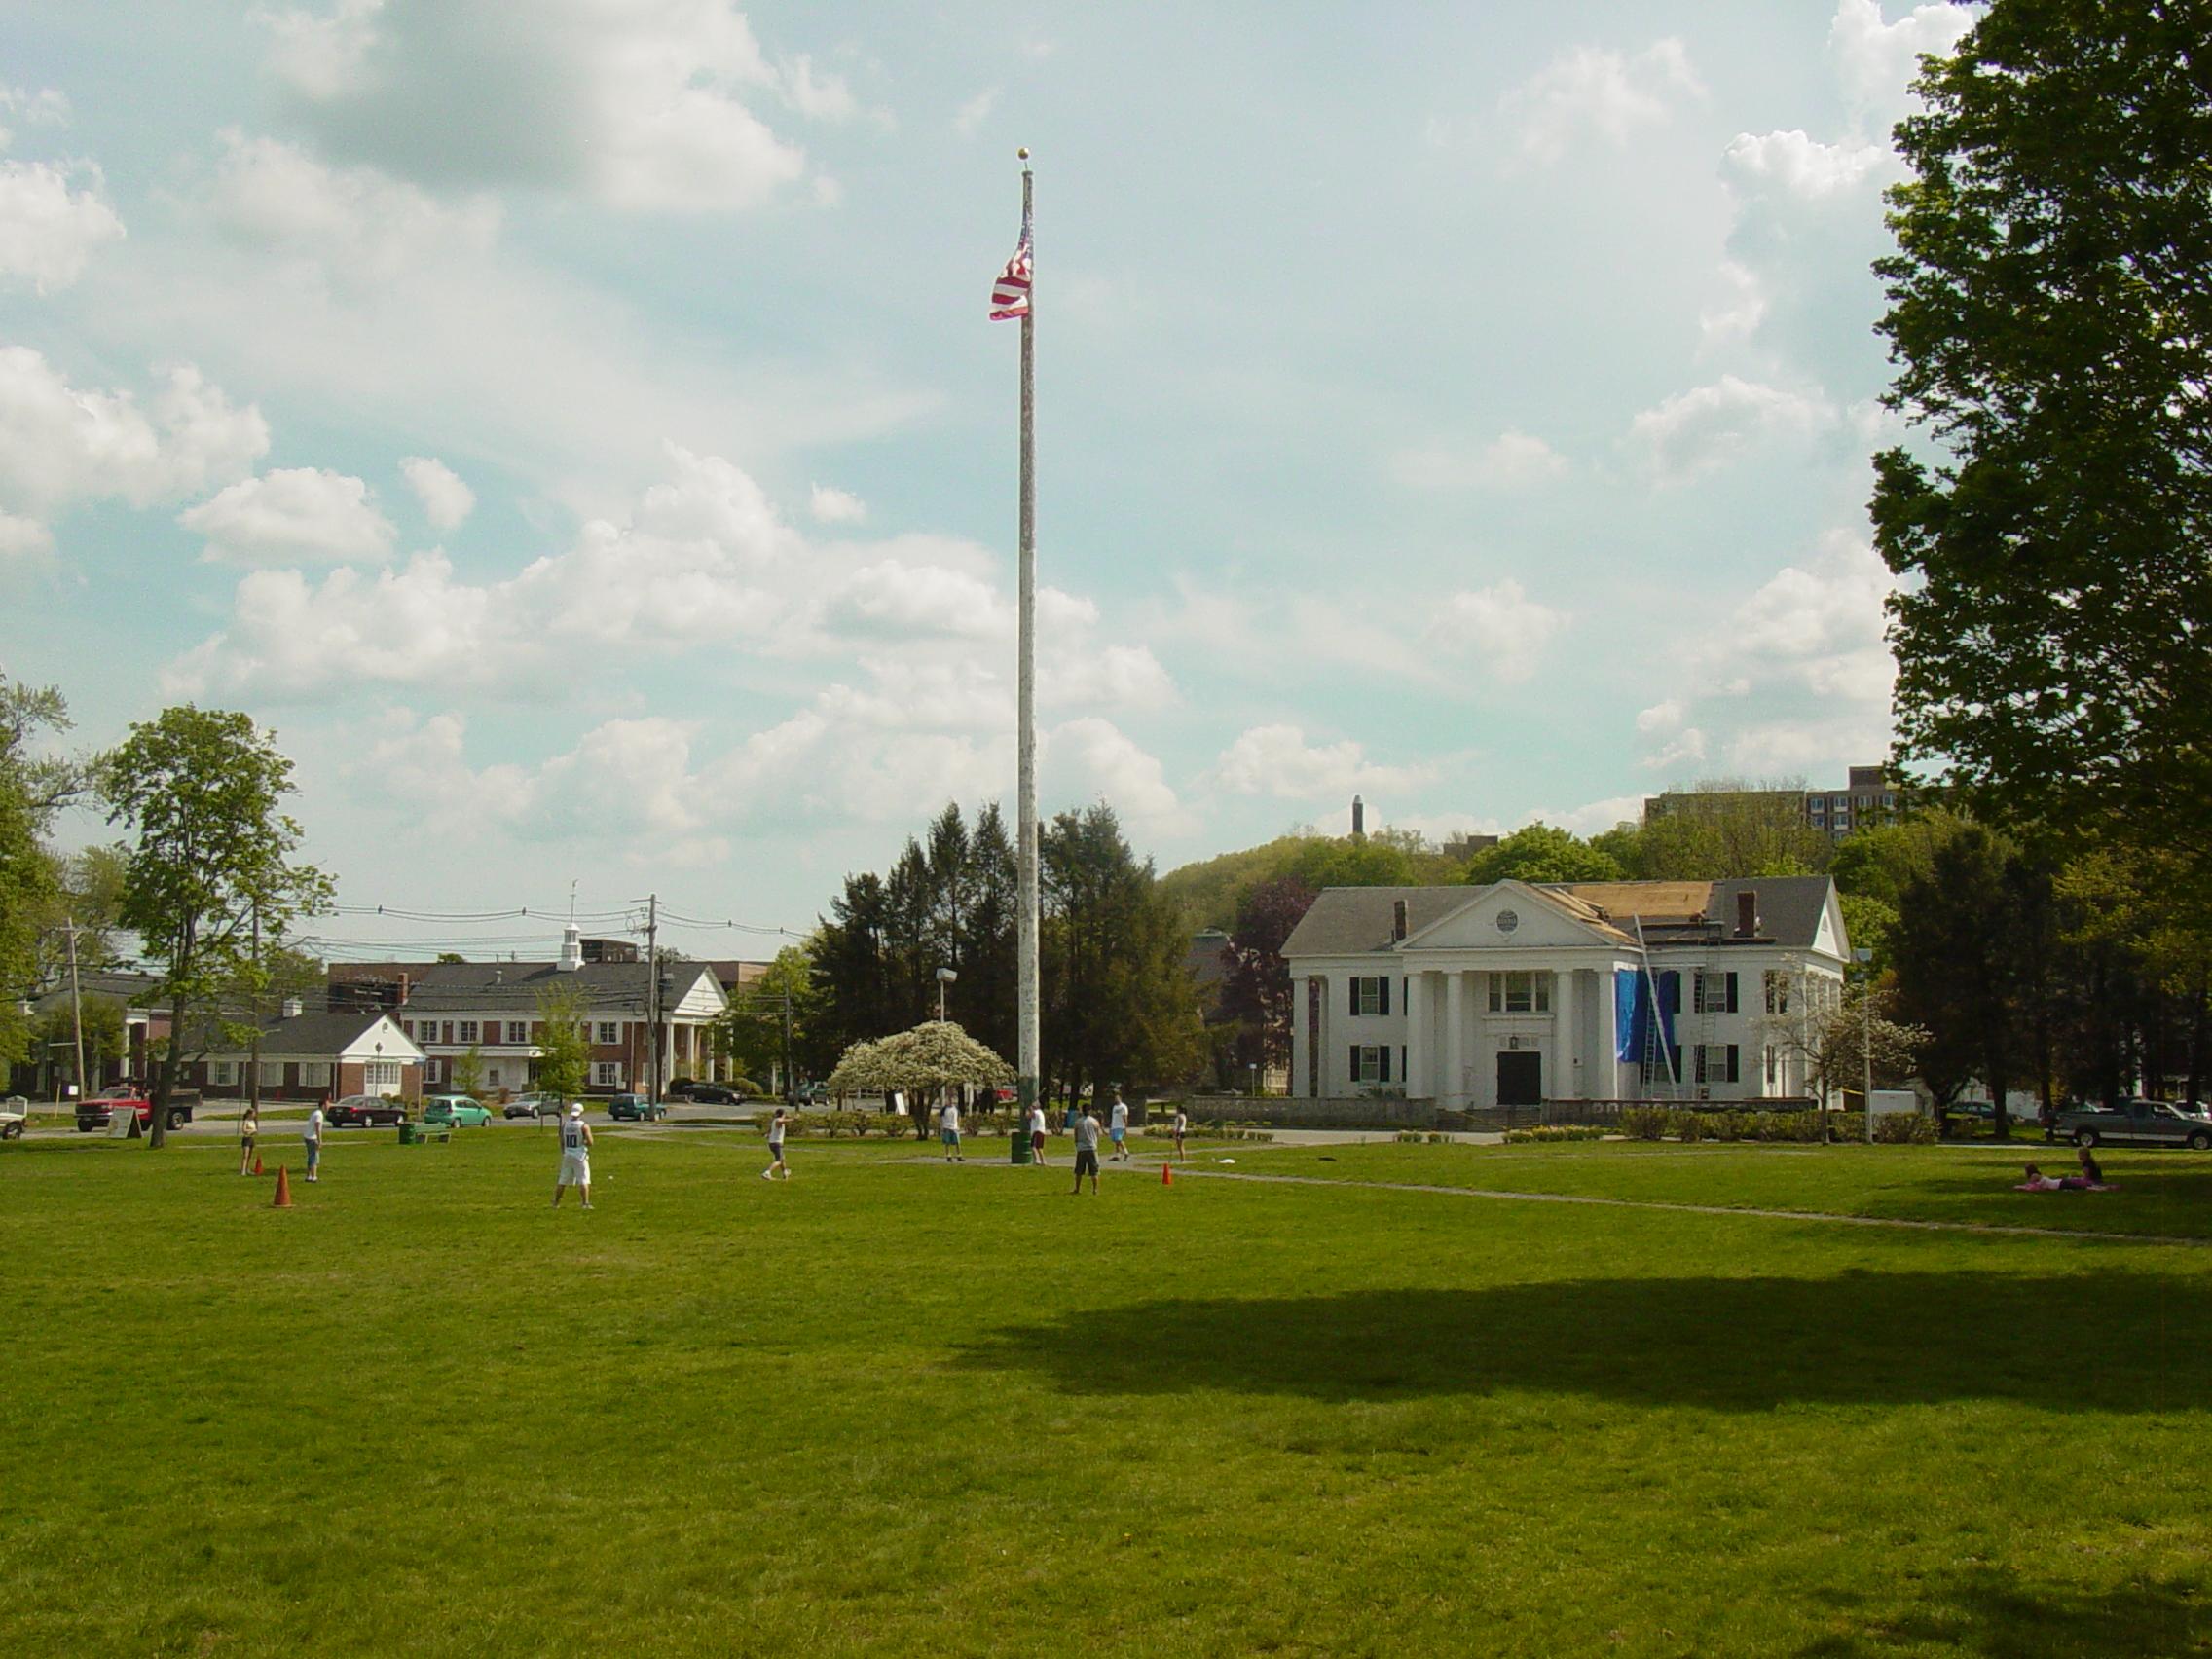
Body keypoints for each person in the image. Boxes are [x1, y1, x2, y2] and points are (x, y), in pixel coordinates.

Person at [554, 1102, 594, 1209]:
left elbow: (562, 1141)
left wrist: (564, 1151)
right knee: (584, 1179)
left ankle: (556, 1203)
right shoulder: (584, 1126)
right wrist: (583, 1142)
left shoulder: (565, 1125)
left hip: (567, 1155)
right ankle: (585, 1203)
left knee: (562, 1180)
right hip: (579, 1155)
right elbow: (590, 1142)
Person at [1071, 1102, 1101, 1195]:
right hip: (1092, 1147)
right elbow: (1098, 1134)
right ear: (1090, 1110)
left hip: (1081, 1148)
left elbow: (1075, 1135)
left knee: (1079, 1171)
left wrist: (1076, 1144)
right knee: (1094, 1171)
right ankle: (1095, 1189)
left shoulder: (1078, 1122)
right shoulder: (1095, 1122)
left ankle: (1077, 1188)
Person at [762, 1106, 789, 1181]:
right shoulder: (778, 1120)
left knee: (782, 1158)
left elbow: (771, 1130)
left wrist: (768, 1134)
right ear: (783, 1114)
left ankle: (785, 1173)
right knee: (779, 1160)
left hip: (772, 1143)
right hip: (777, 1143)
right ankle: (767, 1173)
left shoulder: (774, 1120)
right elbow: (781, 1121)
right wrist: (793, 1119)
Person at [304, 1097, 326, 1183]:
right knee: (314, 1157)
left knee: (310, 1157)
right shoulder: (319, 1114)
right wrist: (320, 1140)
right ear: (323, 1105)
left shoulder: (316, 1113)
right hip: (312, 1138)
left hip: (308, 1136)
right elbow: (317, 1127)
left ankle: (308, 1176)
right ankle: (314, 1177)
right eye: (327, 1105)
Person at [1108, 1087, 1130, 1161]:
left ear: (1120, 1098)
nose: (1116, 1099)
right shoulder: (1114, 1107)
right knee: (1116, 1141)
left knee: (1119, 1140)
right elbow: (1113, 1117)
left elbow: (1125, 1116)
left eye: (1117, 1098)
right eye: (1115, 1098)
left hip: (1120, 1126)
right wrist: (1111, 1127)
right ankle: (1117, 1155)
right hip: (1114, 1126)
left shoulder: (1123, 1107)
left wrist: (1125, 1126)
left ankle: (1126, 1152)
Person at [940, 1097, 964, 1162]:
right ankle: (949, 1156)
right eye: (949, 1101)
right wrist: (942, 1126)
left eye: (952, 1101)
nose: (951, 1102)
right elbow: (941, 1118)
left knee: (957, 1142)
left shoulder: (956, 1108)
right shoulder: (944, 1109)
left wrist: (958, 1125)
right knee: (947, 1142)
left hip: (954, 1128)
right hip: (947, 1127)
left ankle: (959, 1156)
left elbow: (959, 1117)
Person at [239, 1101, 259, 1176]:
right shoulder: (246, 1121)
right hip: (246, 1139)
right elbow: (244, 1130)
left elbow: (255, 1129)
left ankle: (247, 1169)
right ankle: (243, 1170)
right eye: (253, 1113)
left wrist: (254, 1131)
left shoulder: (252, 1121)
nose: (254, 1115)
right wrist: (251, 1131)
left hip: (251, 1139)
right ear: (249, 1114)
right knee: (245, 1156)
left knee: (250, 1156)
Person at [1027, 1100, 1048, 1165]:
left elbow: (1029, 1116)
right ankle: (1039, 1160)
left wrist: (1030, 1109)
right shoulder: (1040, 1112)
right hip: (1039, 1131)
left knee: (1036, 1147)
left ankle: (1040, 1160)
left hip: (1037, 1131)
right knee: (1036, 1147)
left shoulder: (1037, 1112)